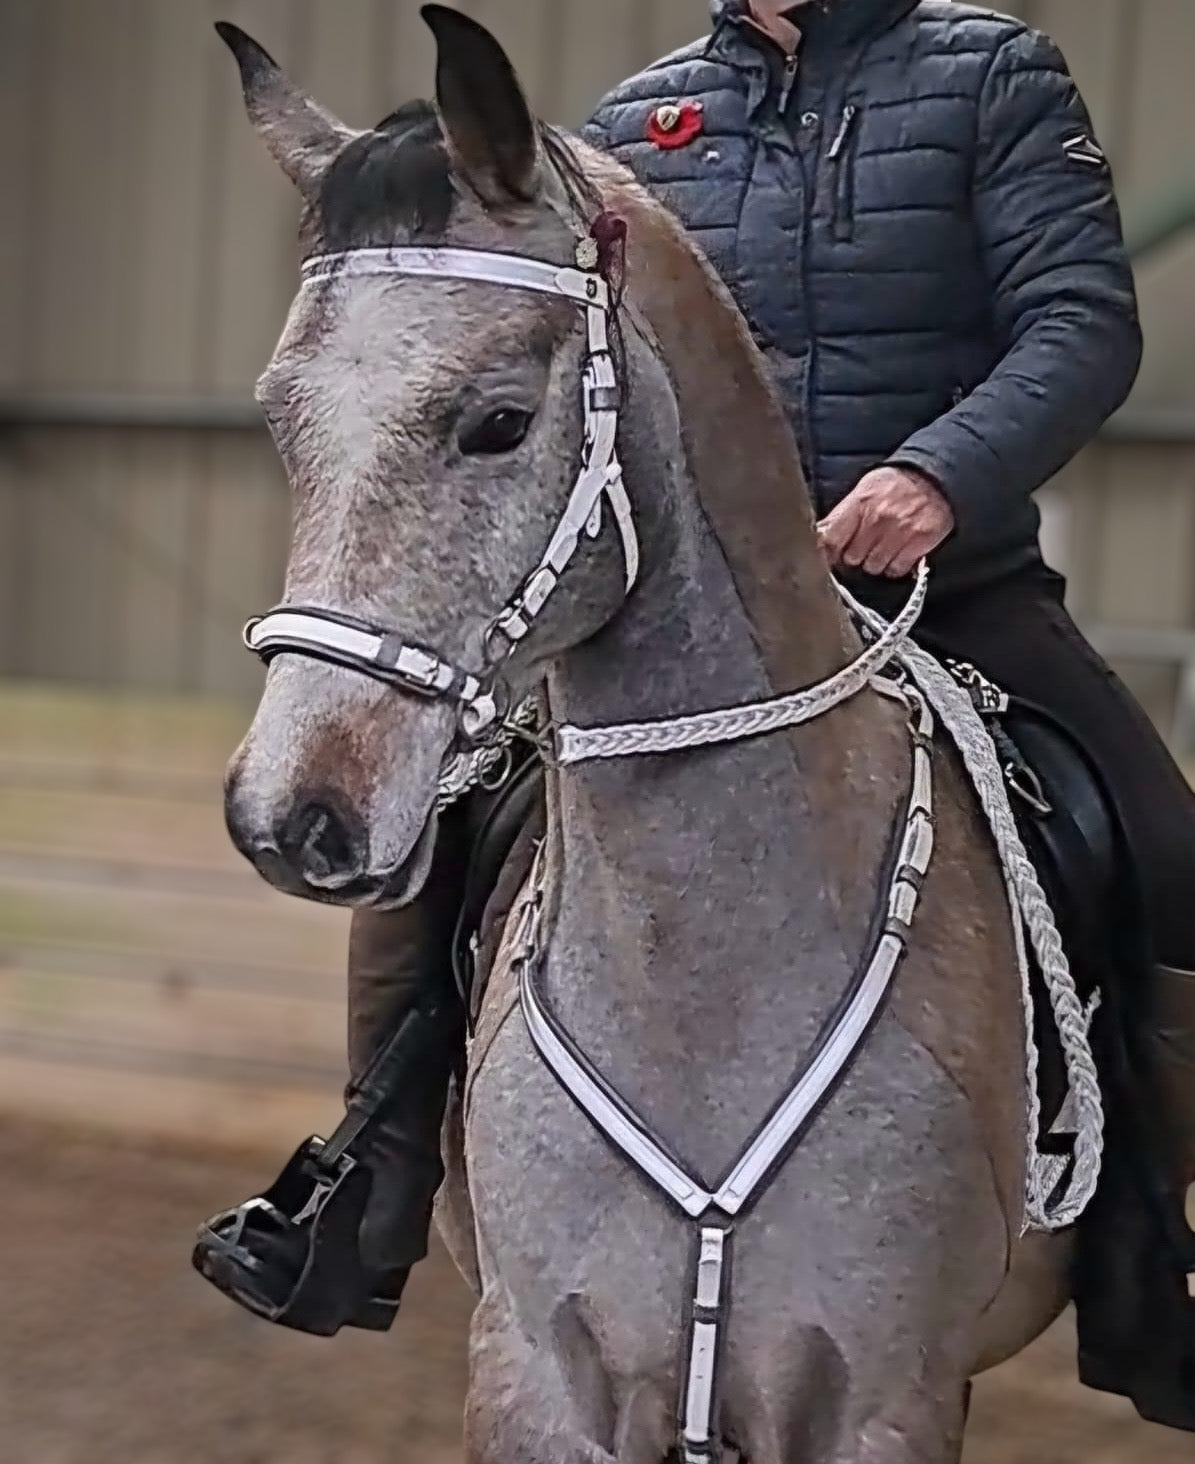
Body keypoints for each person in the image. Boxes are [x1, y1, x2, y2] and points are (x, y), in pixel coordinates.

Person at [196, 0, 1195, 1401]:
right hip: (686, 616)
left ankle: (1147, 1254)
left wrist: (938, 476)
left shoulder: (990, 74)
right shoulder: (634, 126)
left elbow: (1080, 320)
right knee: (439, 850)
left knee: (1162, 848)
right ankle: (364, 1183)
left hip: (946, 582)